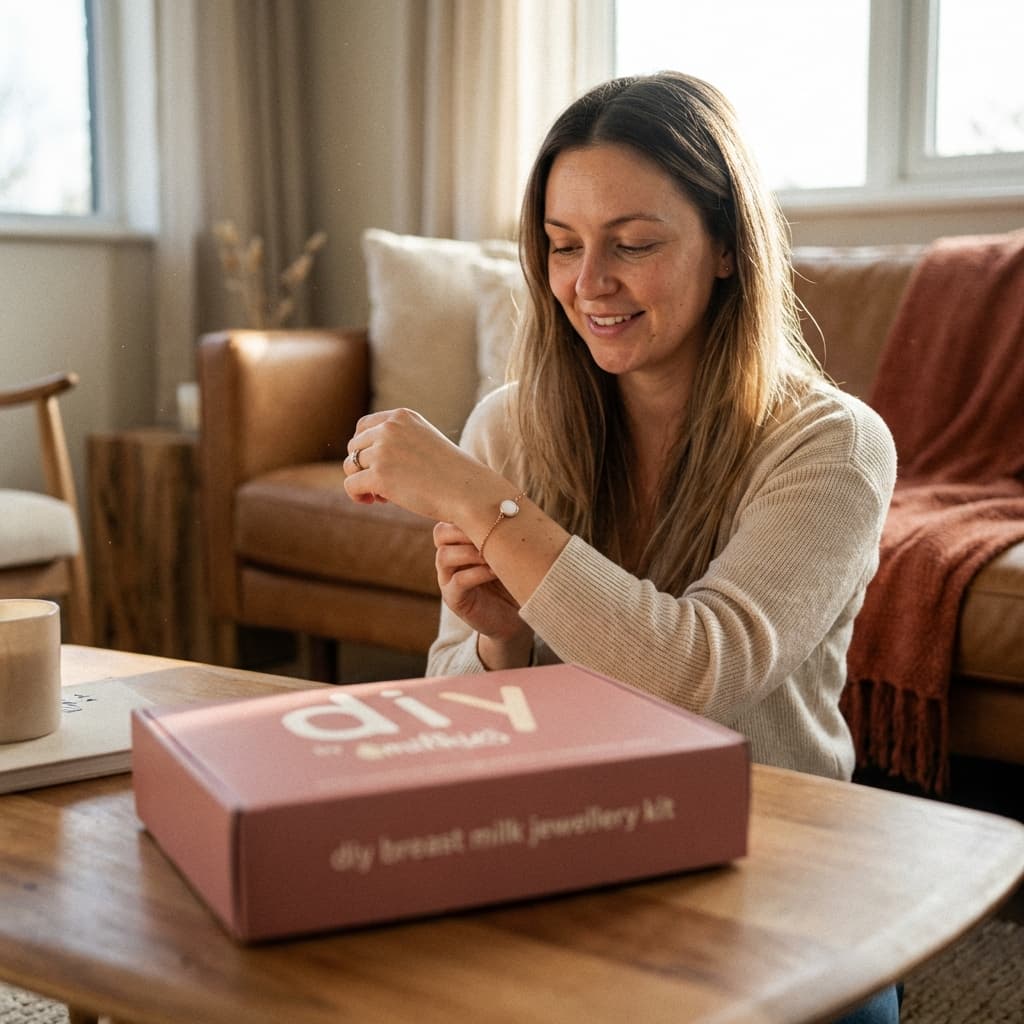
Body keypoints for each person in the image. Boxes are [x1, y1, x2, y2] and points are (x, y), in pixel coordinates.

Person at [344, 71, 900, 1022]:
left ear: (727, 247)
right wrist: (501, 645)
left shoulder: (833, 444)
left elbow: (697, 671)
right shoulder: (508, 429)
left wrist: (484, 505)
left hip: (771, 871)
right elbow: (450, 728)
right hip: (569, 853)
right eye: (562, 248)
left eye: (632, 245)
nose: (588, 284)